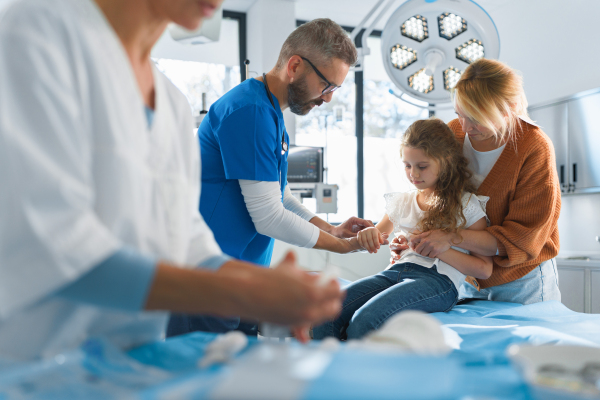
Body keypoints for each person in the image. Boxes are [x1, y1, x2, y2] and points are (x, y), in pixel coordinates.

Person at [0, 0, 344, 360]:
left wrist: (267, 287)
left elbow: (185, 240)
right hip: (35, 364)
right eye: (326, 85)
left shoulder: (171, 104)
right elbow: (46, 245)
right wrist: (239, 291)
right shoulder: (41, 33)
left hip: (127, 363)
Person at [168, 18, 372, 337]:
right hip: (207, 278)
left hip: (243, 278)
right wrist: (340, 247)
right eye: (327, 85)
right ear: (294, 66)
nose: (328, 97)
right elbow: (268, 217)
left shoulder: (270, 113)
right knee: (205, 382)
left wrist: (331, 229)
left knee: (236, 379)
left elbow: (282, 198)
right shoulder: (249, 111)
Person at [391, 59, 561, 305]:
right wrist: (412, 239)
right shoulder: (453, 135)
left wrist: (449, 237)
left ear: (509, 108)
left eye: (477, 118)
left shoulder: (534, 147)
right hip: (466, 276)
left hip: (522, 281)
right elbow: (435, 197)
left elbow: (521, 238)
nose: (466, 126)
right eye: (460, 114)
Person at [313, 119, 492, 340]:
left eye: (422, 166)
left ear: (445, 162)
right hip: (394, 273)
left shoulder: (467, 206)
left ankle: (355, 371)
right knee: (324, 314)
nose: (413, 174)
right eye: (407, 165)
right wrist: (367, 235)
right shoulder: (402, 203)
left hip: (438, 281)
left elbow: (484, 269)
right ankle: (329, 370)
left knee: (365, 321)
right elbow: (378, 235)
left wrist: (438, 249)